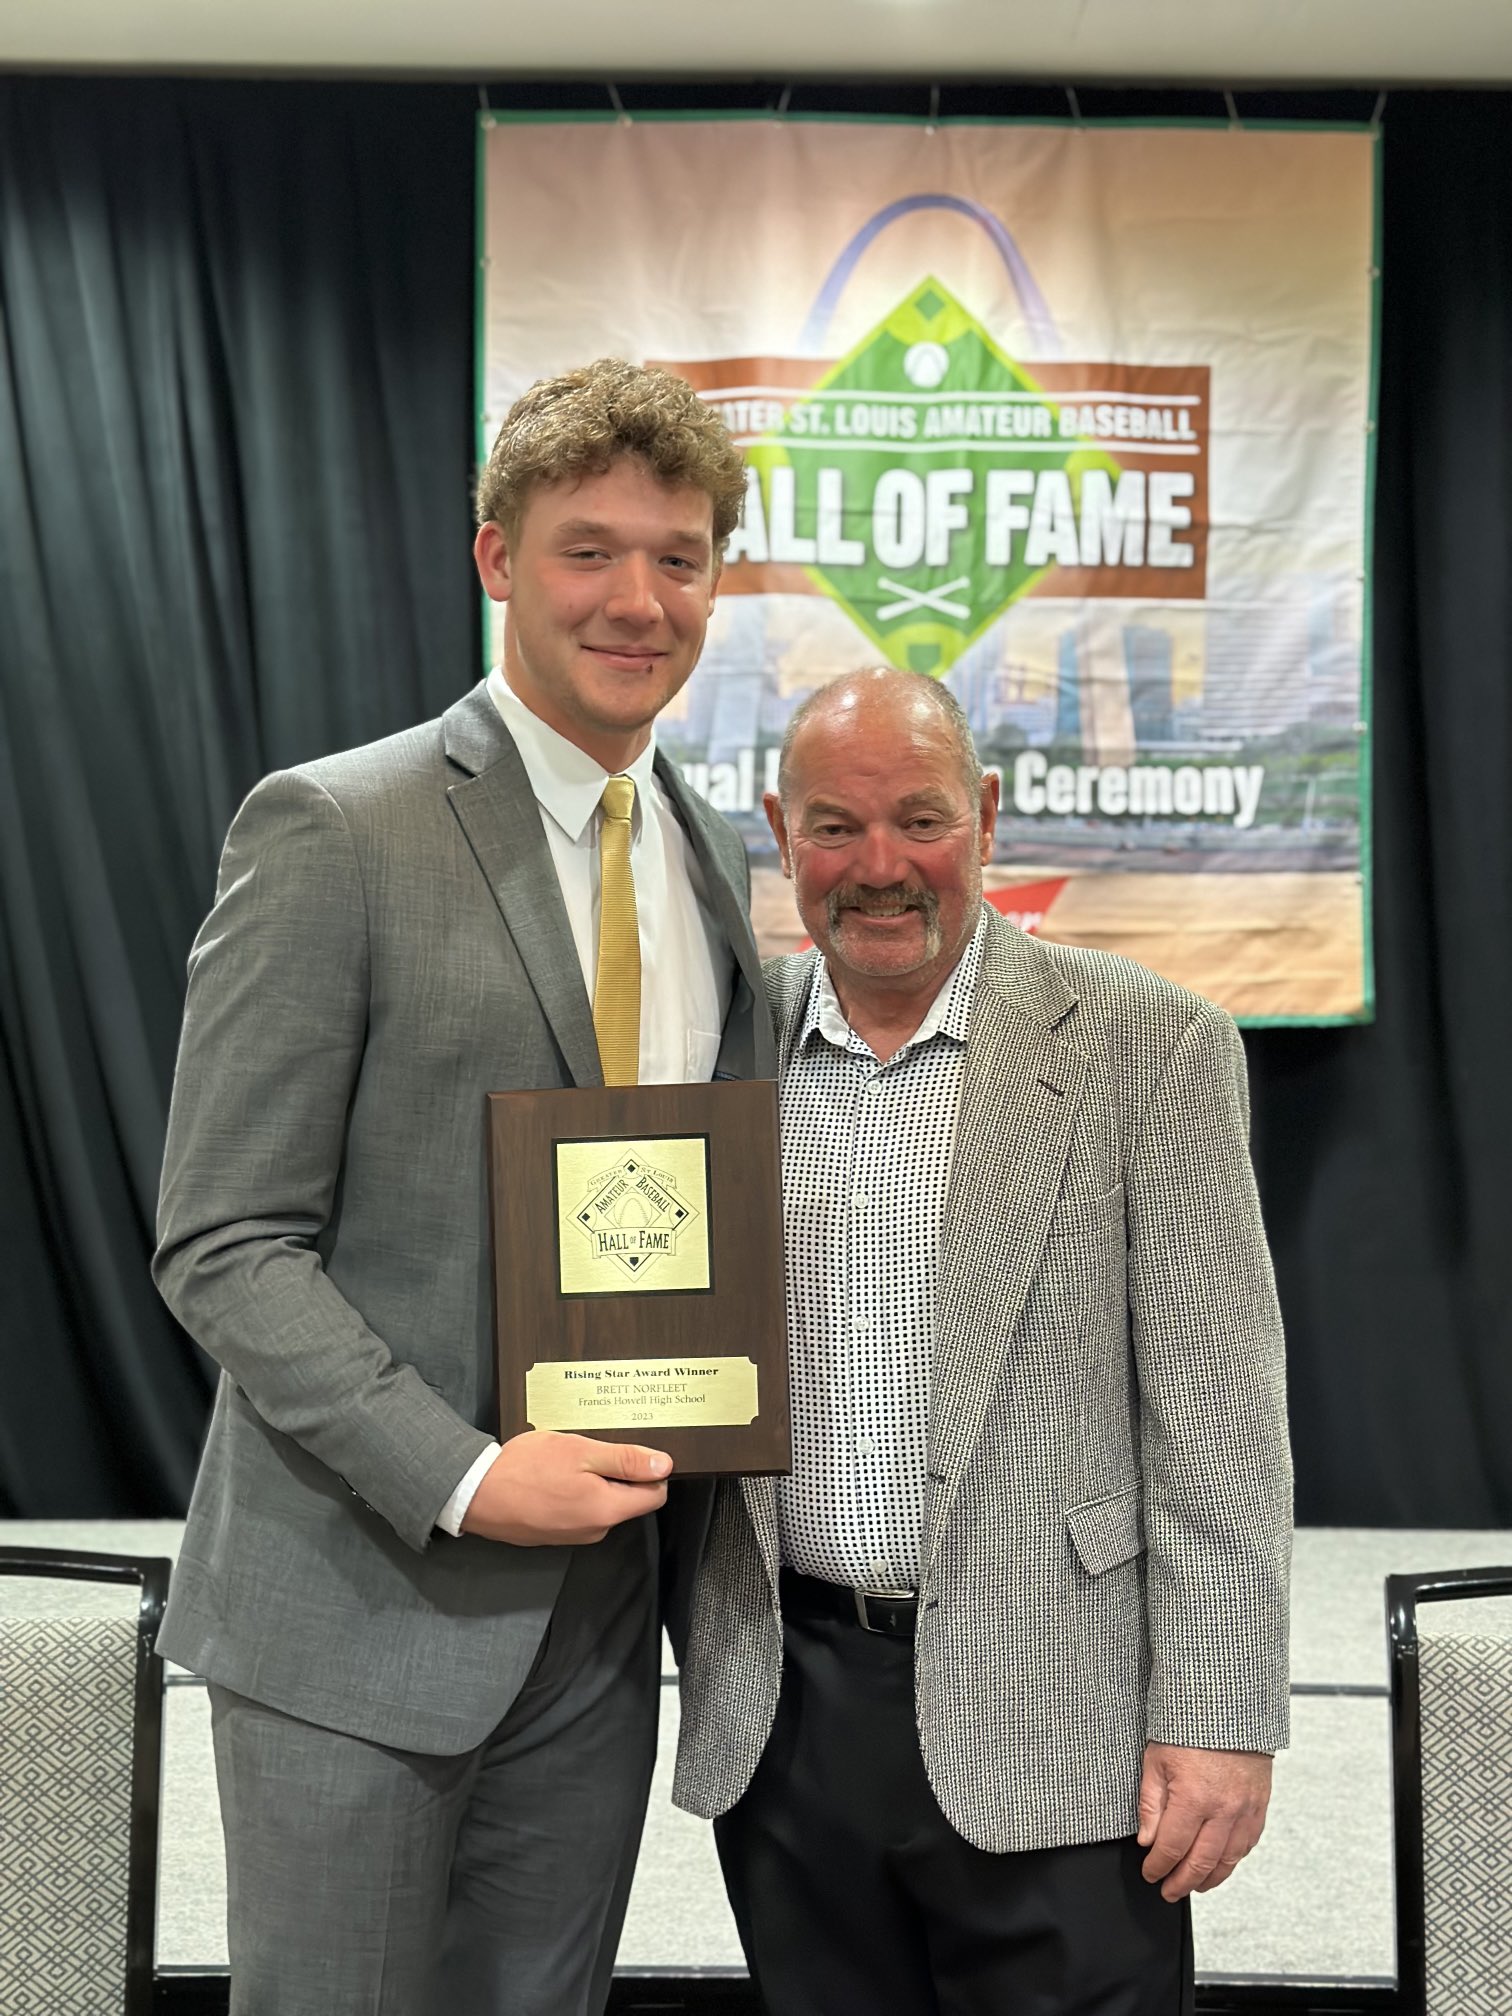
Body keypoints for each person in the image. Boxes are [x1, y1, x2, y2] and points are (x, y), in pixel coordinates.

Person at [153, 358, 773, 2015]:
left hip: (596, 1632)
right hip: (359, 1607)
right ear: (498, 560)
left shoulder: (708, 857)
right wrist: (467, 1473)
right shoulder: (334, 830)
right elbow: (224, 1241)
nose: (639, 600)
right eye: (591, 550)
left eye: (682, 557)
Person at [672, 666, 1292, 2015]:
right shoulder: (718, 1057)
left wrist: (1223, 1719)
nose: (880, 865)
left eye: (921, 819)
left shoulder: (1150, 1049)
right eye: (836, 825)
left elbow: (1220, 1423)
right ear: (781, 830)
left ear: (989, 816)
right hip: (787, 1721)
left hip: (1062, 1723)